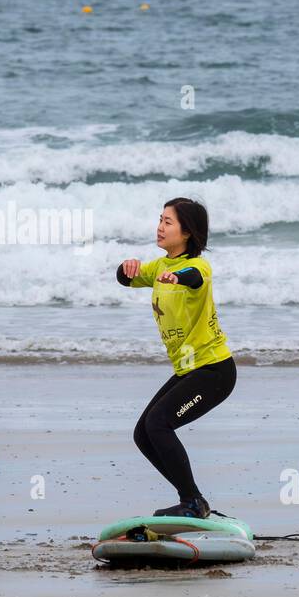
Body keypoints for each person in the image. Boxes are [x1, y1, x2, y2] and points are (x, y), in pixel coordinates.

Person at [116, 197, 236, 518]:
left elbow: (193, 278)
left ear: (187, 232)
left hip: (214, 371)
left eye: (168, 222)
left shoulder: (198, 267)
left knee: (158, 424)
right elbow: (127, 278)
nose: (160, 227)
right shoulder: (160, 266)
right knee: (143, 433)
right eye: (160, 219)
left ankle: (193, 502)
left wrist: (178, 278)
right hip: (188, 370)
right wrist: (125, 267)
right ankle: (193, 498)